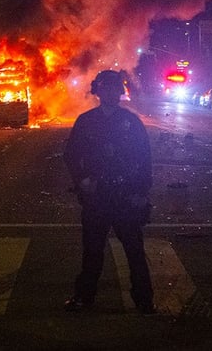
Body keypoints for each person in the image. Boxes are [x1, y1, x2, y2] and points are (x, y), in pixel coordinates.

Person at [63, 70, 155, 315]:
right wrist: (82, 180)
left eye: (115, 88)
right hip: (98, 196)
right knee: (92, 251)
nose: (111, 93)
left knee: (134, 252)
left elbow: (144, 159)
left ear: (120, 91)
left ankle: (144, 300)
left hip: (125, 195)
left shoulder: (131, 122)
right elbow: (71, 154)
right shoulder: (86, 121)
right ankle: (84, 297)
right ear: (98, 91)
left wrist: (141, 192)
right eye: (106, 88)